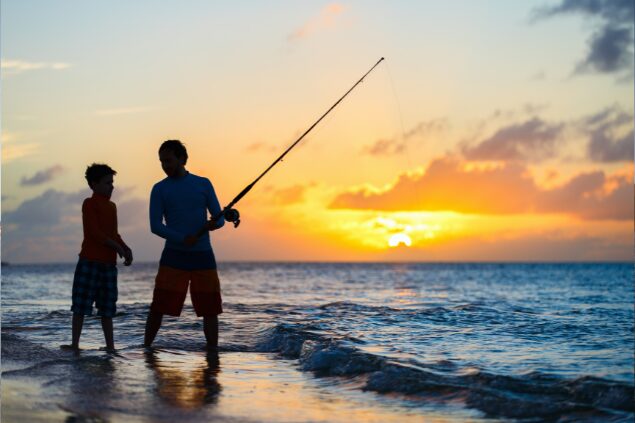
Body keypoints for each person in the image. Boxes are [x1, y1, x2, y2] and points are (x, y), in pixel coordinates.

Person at [144, 140, 226, 351]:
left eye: (169, 160)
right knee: (159, 307)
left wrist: (213, 225)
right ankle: (146, 348)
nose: (165, 165)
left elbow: (219, 219)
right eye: (161, 161)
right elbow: (155, 226)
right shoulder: (159, 189)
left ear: (182, 159)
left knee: (210, 309)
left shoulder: (203, 184)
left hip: (203, 256)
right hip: (174, 255)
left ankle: (213, 354)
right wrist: (181, 238)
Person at [63, 163, 133, 352]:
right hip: (90, 261)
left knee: (107, 308)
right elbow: (95, 233)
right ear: (93, 184)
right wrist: (117, 246)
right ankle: (75, 344)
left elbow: (113, 233)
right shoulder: (89, 203)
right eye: (107, 183)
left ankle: (110, 346)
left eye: (112, 182)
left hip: (108, 265)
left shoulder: (112, 206)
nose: (112, 186)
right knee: (80, 306)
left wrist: (125, 248)